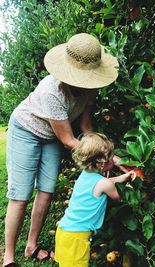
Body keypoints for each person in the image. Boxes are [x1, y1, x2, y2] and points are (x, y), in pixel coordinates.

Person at [3, 33, 120, 267]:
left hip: (51, 136)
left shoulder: (90, 88)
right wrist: (106, 156)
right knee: (21, 195)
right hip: (27, 128)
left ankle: (31, 246)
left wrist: (104, 151)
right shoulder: (51, 91)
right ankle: (8, 257)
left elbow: (86, 127)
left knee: (46, 191)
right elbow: (68, 139)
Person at [55, 132, 136, 267]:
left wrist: (124, 177)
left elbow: (103, 184)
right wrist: (132, 183)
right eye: (111, 157)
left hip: (65, 231)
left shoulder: (85, 175)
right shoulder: (104, 184)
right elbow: (120, 197)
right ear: (102, 163)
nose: (113, 160)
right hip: (77, 237)